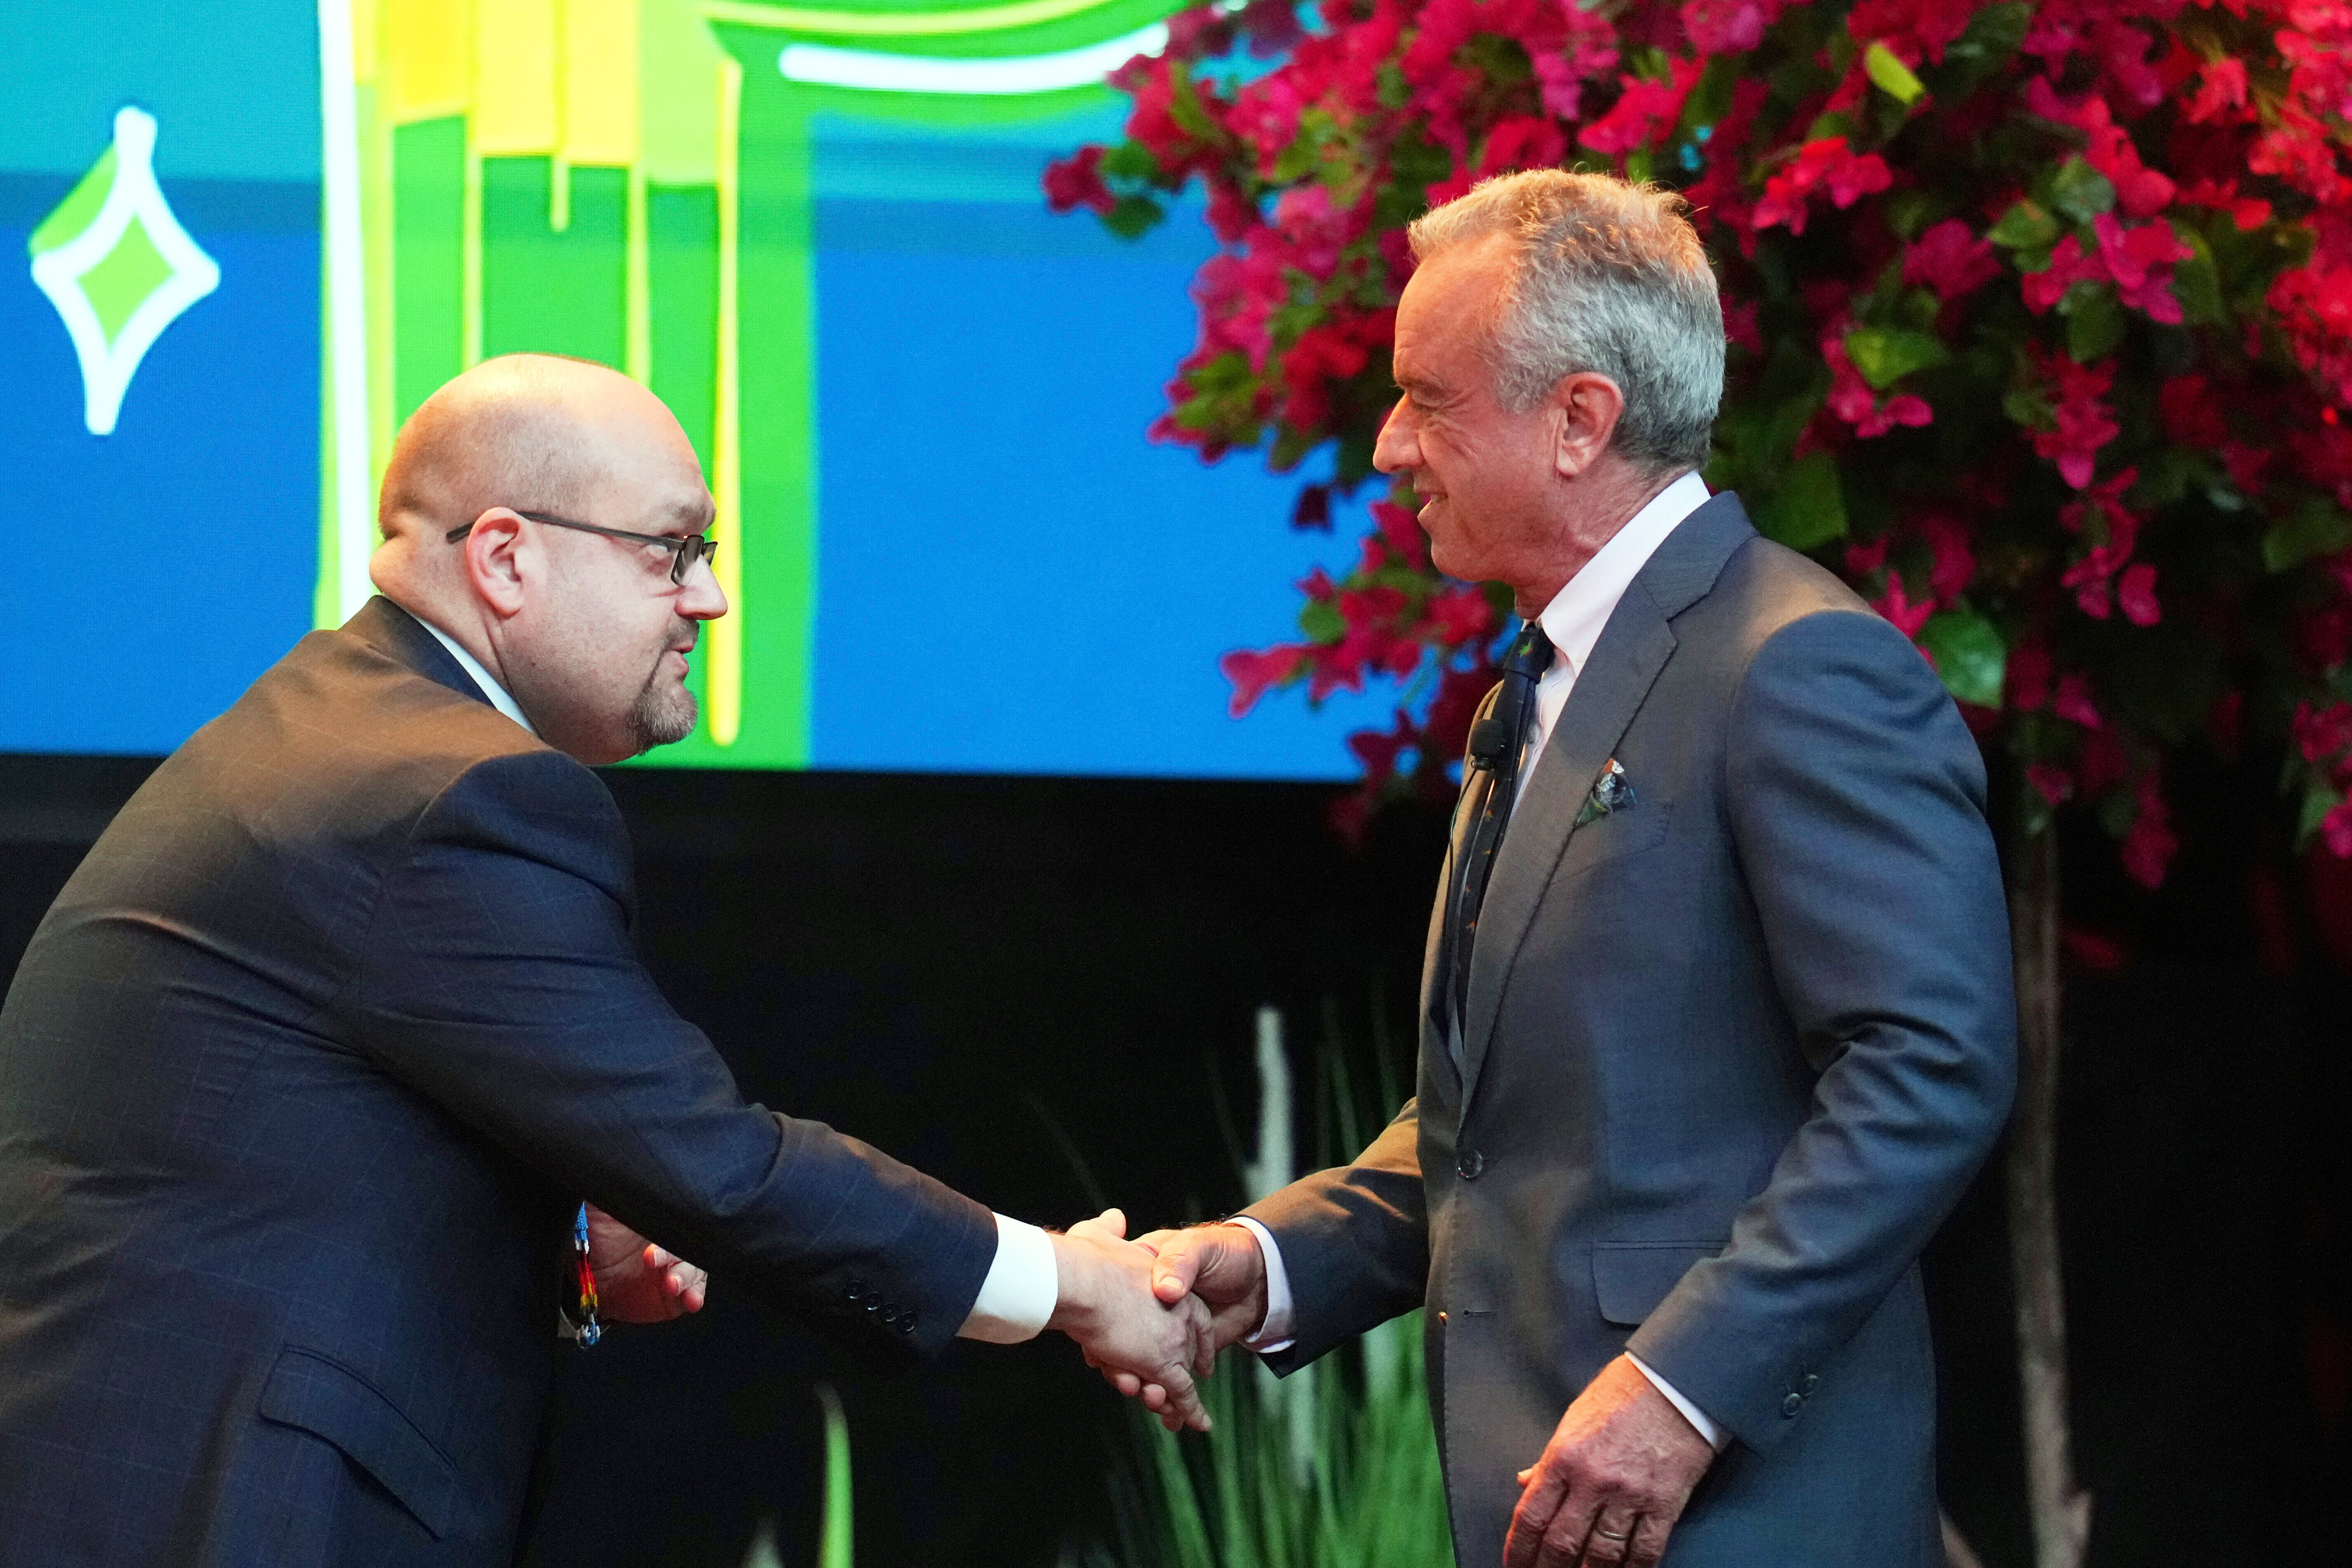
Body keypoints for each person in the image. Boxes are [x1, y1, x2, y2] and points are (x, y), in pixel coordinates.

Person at [0, 354, 1207, 1568]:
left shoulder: (344, 731)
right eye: (672, 551)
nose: (711, 599)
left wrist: (572, 1240)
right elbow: (719, 1166)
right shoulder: (456, 791)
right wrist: (1070, 1282)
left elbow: (295, 1163)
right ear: (506, 558)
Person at [1131, 171, 2018, 1568]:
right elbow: (1495, 1136)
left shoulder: (1796, 663)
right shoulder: (1542, 684)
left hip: (1741, 1519)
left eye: (1426, 400)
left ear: (1578, 421)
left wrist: (1681, 1388)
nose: (1387, 447)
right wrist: (1273, 1258)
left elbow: (1931, 1070)